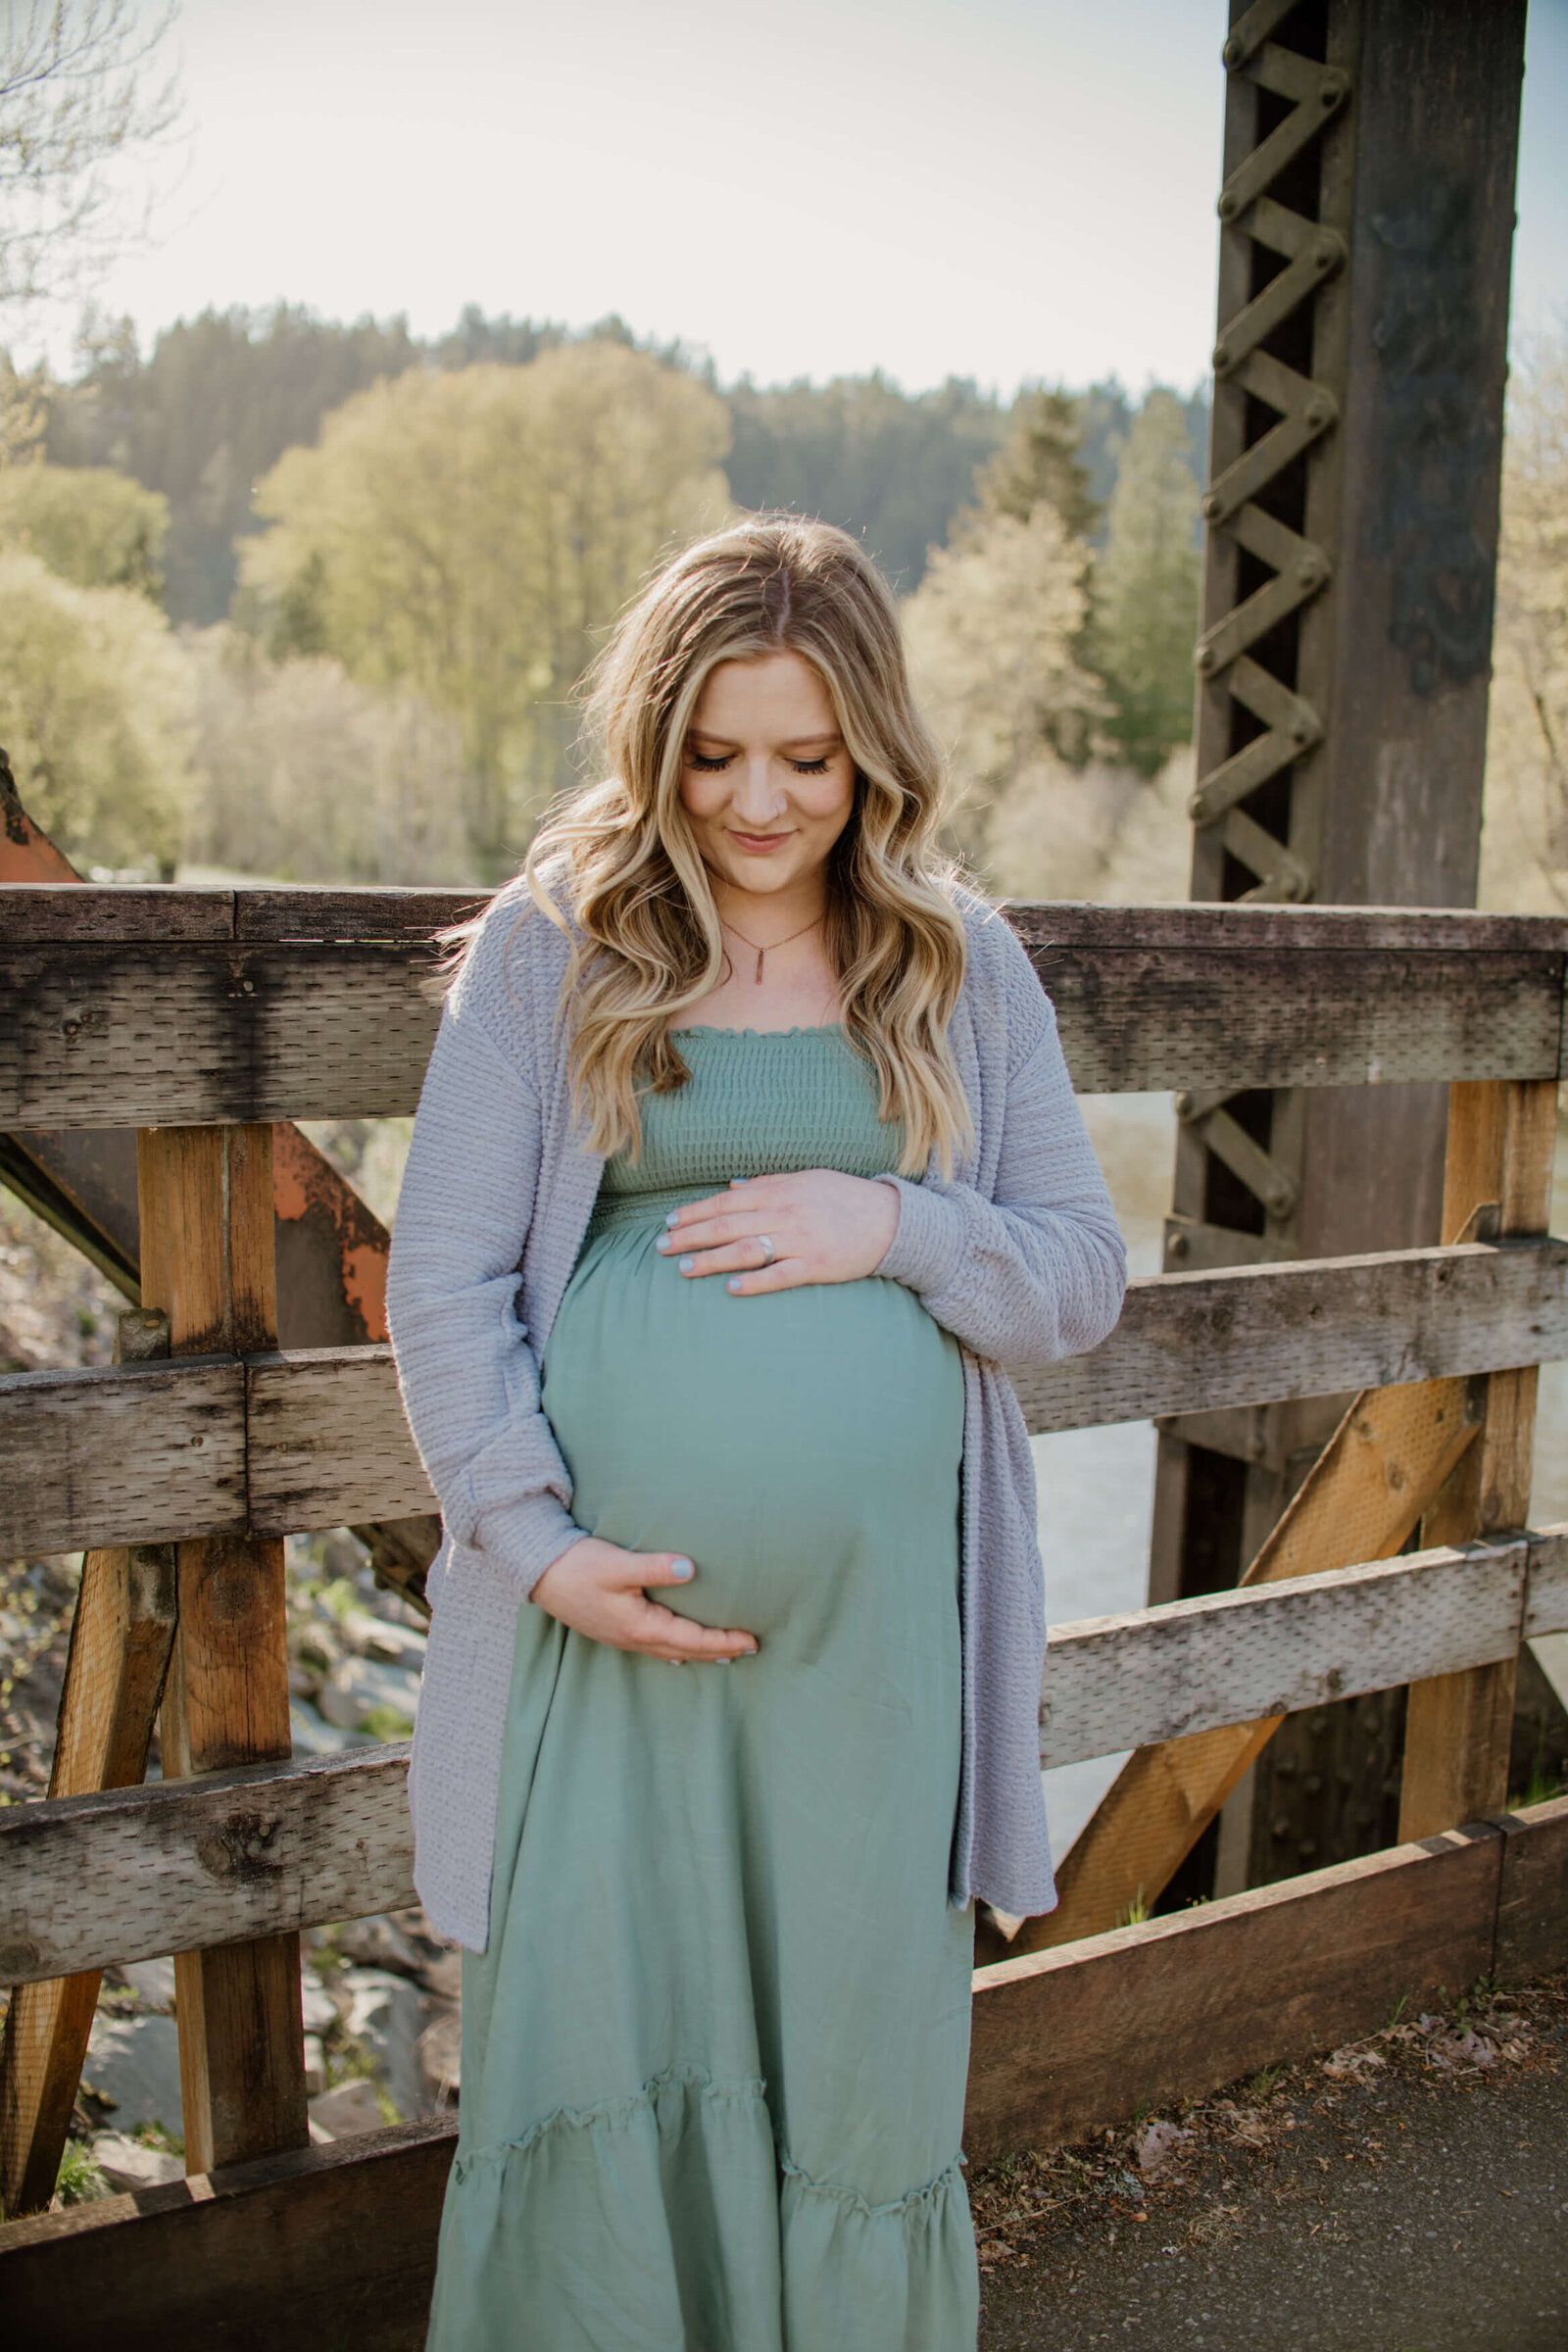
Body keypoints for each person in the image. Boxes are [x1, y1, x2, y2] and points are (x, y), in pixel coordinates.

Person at [385, 515, 1127, 2352]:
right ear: (654, 743)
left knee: (853, 2066)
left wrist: (896, 1225)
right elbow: (443, 1282)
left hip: (876, 1659)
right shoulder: (557, 948)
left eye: (806, 757)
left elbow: (1079, 1276)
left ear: (874, 747)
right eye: (712, 755)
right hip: (602, 1642)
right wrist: (535, 1543)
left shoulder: (958, 961)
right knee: (603, 2033)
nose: (759, 802)